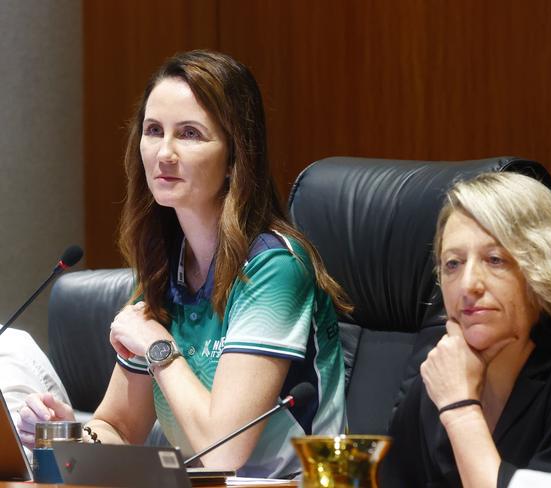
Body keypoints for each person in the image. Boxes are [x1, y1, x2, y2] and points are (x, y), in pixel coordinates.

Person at [18, 50, 350, 478]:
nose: (164, 153)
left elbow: (223, 451)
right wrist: (73, 438)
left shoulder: (274, 266)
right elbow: (118, 424)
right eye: (154, 130)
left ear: (235, 158)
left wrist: (157, 346)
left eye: (190, 134)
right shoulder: (162, 270)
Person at [380, 172, 551, 487]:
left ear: (544, 267)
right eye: (453, 264)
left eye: (494, 260)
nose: (468, 285)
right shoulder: (441, 373)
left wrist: (460, 410)